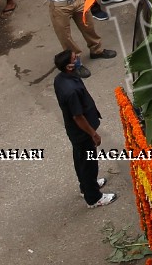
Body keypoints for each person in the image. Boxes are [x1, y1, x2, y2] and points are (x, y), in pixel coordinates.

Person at [52, 49, 117, 207]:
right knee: (89, 164)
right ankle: (94, 198)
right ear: (69, 66)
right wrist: (93, 133)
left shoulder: (60, 79)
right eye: (75, 58)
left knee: (80, 159)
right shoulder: (71, 91)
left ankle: (86, 187)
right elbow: (78, 117)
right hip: (82, 132)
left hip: (74, 132)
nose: (78, 58)